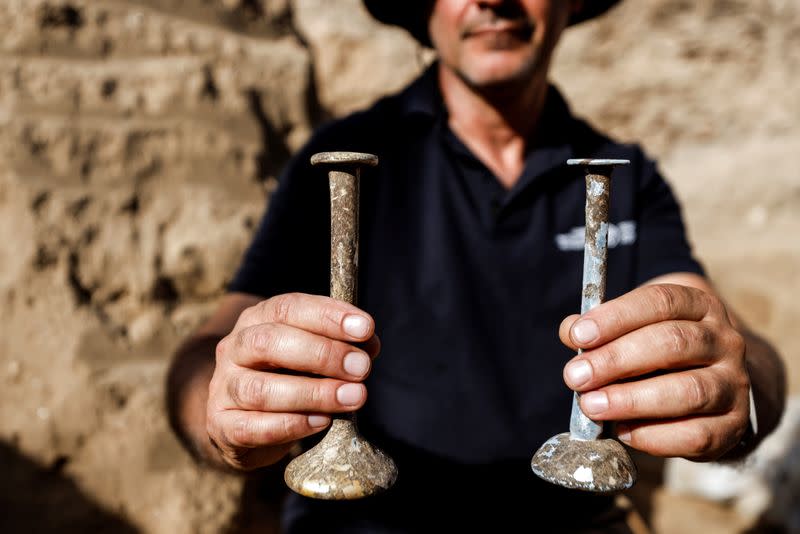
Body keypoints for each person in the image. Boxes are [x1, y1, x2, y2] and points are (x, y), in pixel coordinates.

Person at [166, 0, 786, 531]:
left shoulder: (630, 175)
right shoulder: (342, 158)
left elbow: (730, 344)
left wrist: (743, 393)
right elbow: (201, 360)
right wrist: (220, 409)